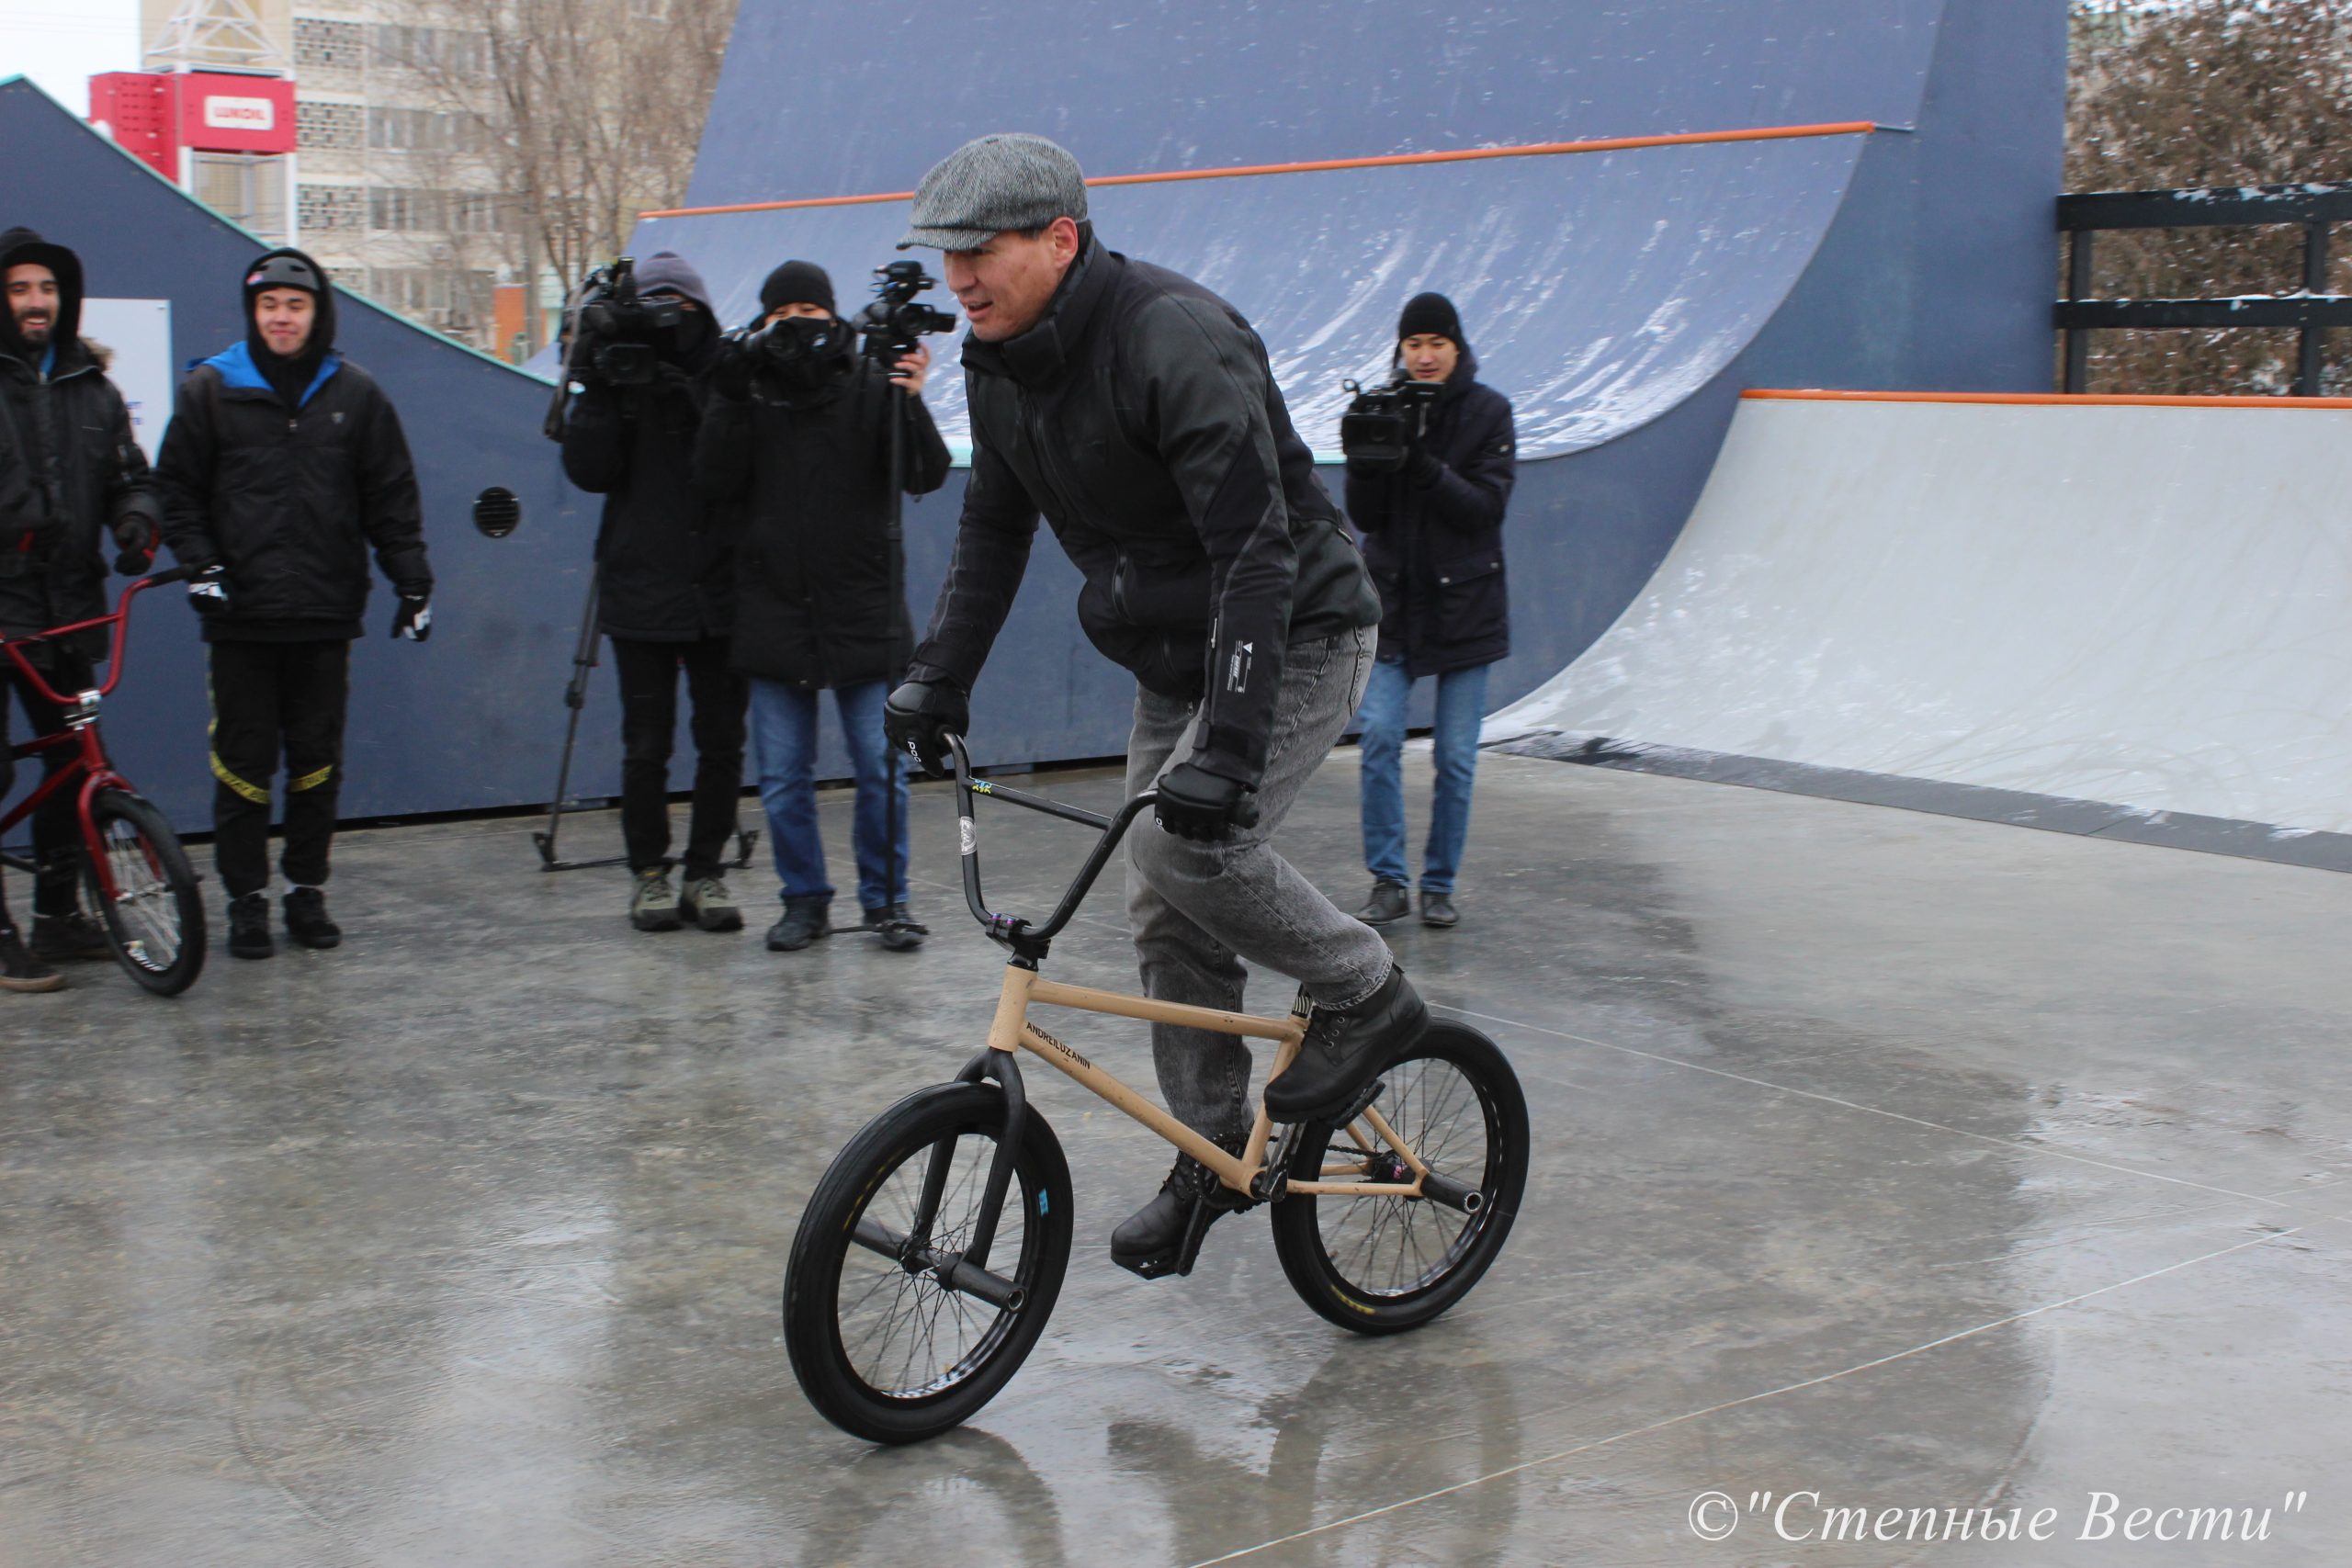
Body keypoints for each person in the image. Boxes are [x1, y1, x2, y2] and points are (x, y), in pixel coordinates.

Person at [882, 134, 1427, 1276]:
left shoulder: (1170, 337)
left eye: (979, 250)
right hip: (1176, 655)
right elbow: (993, 529)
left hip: (1295, 634)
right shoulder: (1000, 357)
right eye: (946, 257)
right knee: (1161, 907)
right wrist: (941, 670)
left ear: (1061, 239)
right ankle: (1210, 1151)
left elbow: (1254, 552)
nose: (959, 278)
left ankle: (1364, 991)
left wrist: (1227, 748)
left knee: (1192, 855)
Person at [154, 248, 433, 960]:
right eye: (269, 304)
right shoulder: (211, 390)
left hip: (323, 613)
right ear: (253, 312)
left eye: (296, 305)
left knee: (315, 762)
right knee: (242, 764)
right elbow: (178, 493)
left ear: (318, 312)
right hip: (241, 620)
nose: (282, 317)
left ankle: (306, 890)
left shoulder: (357, 394)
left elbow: (390, 498)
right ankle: (246, 899)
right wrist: (201, 566)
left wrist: (412, 581)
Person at [694, 261, 951, 953]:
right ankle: (803, 899)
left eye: (810, 307)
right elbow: (713, 479)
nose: (797, 322)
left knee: (883, 770)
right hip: (773, 611)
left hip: (863, 609)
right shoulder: (748, 388)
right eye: (783, 312)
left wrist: (910, 395)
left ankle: (886, 901)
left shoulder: (870, 382)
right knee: (781, 780)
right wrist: (728, 388)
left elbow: (925, 472)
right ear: (764, 319)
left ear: (834, 314)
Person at [560, 251, 748, 935]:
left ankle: (707, 868)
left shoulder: (727, 370)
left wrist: (689, 393)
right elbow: (587, 469)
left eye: (680, 308)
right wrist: (597, 381)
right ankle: (648, 871)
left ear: (699, 311)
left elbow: (735, 465)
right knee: (647, 744)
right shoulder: (617, 366)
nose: (668, 324)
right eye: (655, 306)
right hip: (641, 584)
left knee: (722, 741)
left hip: (721, 585)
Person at [0, 227, 161, 991]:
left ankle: (59, 916)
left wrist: (134, 522)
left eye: (47, 289)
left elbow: (132, 475)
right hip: (1, 604)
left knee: (70, 765)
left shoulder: (91, 388)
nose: (36, 302)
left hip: (67, 607)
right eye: (20, 288)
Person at [1343, 292, 1517, 930]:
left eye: (1435, 344)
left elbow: (1483, 509)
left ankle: (1439, 883)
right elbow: (1365, 517)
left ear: (1457, 348)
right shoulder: (1381, 407)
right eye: (1413, 344)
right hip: (1394, 603)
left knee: (1456, 756)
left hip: (1466, 606)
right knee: (1381, 736)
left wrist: (1419, 463)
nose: (1423, 356)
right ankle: (1389, 881)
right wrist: (1367, 454)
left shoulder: (1490, 413)